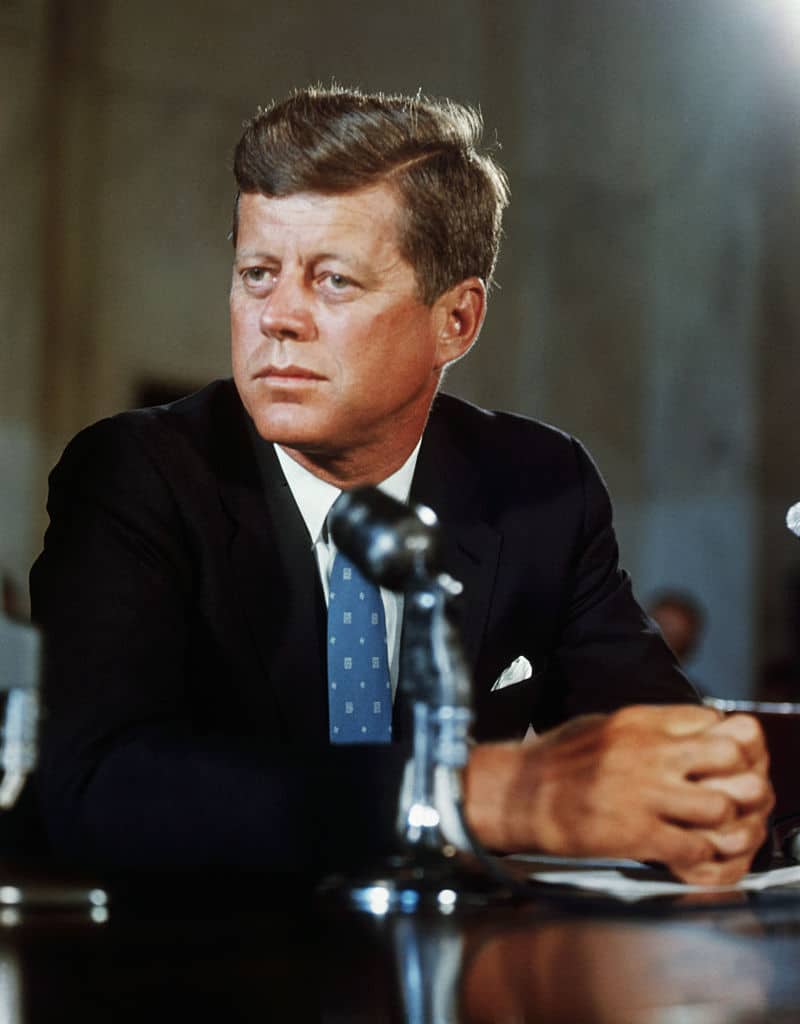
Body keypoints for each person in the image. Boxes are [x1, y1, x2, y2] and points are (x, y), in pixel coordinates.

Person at [30, 87, 771, 884]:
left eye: (333, 281)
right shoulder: (137, 475)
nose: (278, 317)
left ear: (456, 320)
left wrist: (710, 798)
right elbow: (96, 787)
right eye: (257, 273)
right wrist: (483, 795)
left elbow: (657, 742)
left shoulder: (541, 487)